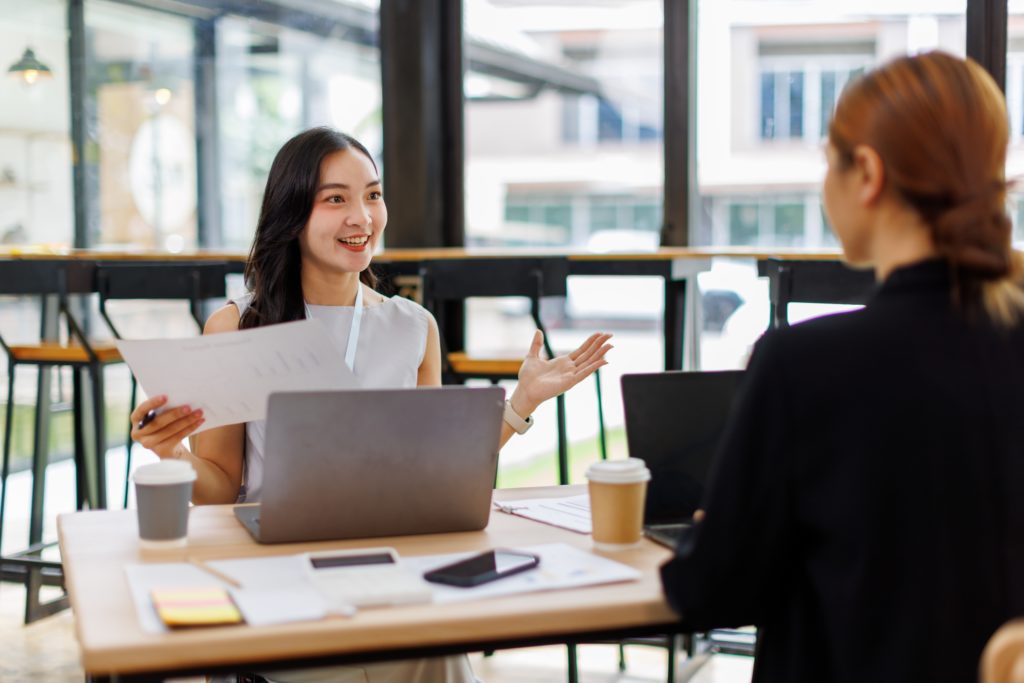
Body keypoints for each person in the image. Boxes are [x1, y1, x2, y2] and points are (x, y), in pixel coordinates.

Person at [130, 127, 612, 683]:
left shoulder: (414, 326)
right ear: (293, 214)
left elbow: (438, 469)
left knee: (436, 648)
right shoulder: (238, 325)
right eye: (336, 199)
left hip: (387, 557)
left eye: (373, 195)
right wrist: (172, 453)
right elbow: (218, 486)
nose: (362, 217)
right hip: (274, 564)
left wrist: (522, 401)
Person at [660, 51, 1024, 683]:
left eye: (829, 161)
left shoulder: (804, 365)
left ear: (868, 174)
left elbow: (713, 591)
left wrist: (713, 532)